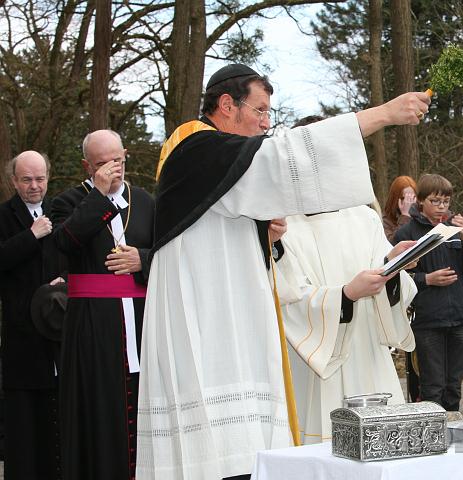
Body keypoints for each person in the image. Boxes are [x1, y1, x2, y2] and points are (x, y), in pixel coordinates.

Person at [137, 63, 430, 479]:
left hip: (230, 323)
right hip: (206, 323)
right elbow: (281, 156)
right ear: (226, 104)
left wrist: (265, 234)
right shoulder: (195, 146)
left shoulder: (219, 166)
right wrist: (384, 114)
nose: (265, 124)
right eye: (259, 111)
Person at [51, 130, 155, 480]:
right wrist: (98, 194)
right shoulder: (68, 201)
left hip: (142, 323)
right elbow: (64, 243)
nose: (113, 169)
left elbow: (171, 253)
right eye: (102, 164)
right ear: (87, 165)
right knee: (98, 410)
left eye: (118, 161)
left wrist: (143, 259)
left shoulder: (146, 201)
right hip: (93, 328)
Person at [277, 205, 417, 444]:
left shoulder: (365, 217)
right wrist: (346, 295)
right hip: (320, 360)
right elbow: (289, 297)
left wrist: (393, 264)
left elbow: (391, 283)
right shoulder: (285, 225)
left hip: (369, 351)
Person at [393, 174, 463, 412]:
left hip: (458, 317)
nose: (441, 207)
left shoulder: (454, 229)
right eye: (435, 201)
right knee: (433, 387)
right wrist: (427, 279)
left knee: (453, 386)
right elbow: (396, 276)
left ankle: (452, 435)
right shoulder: (407, 232)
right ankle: (433, 439)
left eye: (446, 202)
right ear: (421, 201)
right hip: (427, 319)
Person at [0, 151, 62, 479]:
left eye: (40, 179)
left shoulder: (61, 211)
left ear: (48, 178)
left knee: (56, 423)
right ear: (14, 181)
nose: (34, 186)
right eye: (27, 179)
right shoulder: (4, 216)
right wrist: (31, 235)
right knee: (24, 428)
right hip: (22, 336)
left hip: (58, 333)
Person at [382, 175, 417, 241]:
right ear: (395, 199)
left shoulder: (419, 216)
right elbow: (392, 243)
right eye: (404, 198)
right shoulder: (385, 220)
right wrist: (405, 216)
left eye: (412, 198)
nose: (408, 202)